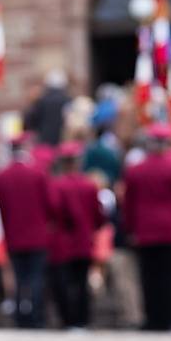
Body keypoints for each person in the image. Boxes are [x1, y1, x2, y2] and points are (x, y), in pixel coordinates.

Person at [123, 123, 171, 331]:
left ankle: (152, 318)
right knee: (169, 276)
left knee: (148, 277)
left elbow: (129, 205)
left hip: (144, 229)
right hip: (170, 228)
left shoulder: (135, 170)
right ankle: (168, 317)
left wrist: (130, 229)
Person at [0, 134, 54, 328]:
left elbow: (1, 207)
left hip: (13, 234)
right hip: (37, 234)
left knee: (19, 277)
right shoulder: (38, 173)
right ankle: (35, 316)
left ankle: (20, 316)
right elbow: (49, 204)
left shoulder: (2, 176)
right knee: (35, 276)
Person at [50, 141, 106, 329]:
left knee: (64, 283)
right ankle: (82, 319)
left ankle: (68, 320)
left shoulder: (56, 185)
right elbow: (99, 216)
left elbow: (52, 211)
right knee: (81, 283)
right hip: (83, 240)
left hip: (61, 242)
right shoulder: (89, 186)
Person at [25, 70, 70, 146]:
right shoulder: (68, 100)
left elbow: (31, 119)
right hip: (63, 141)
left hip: (45, 141)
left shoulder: (42, 100)